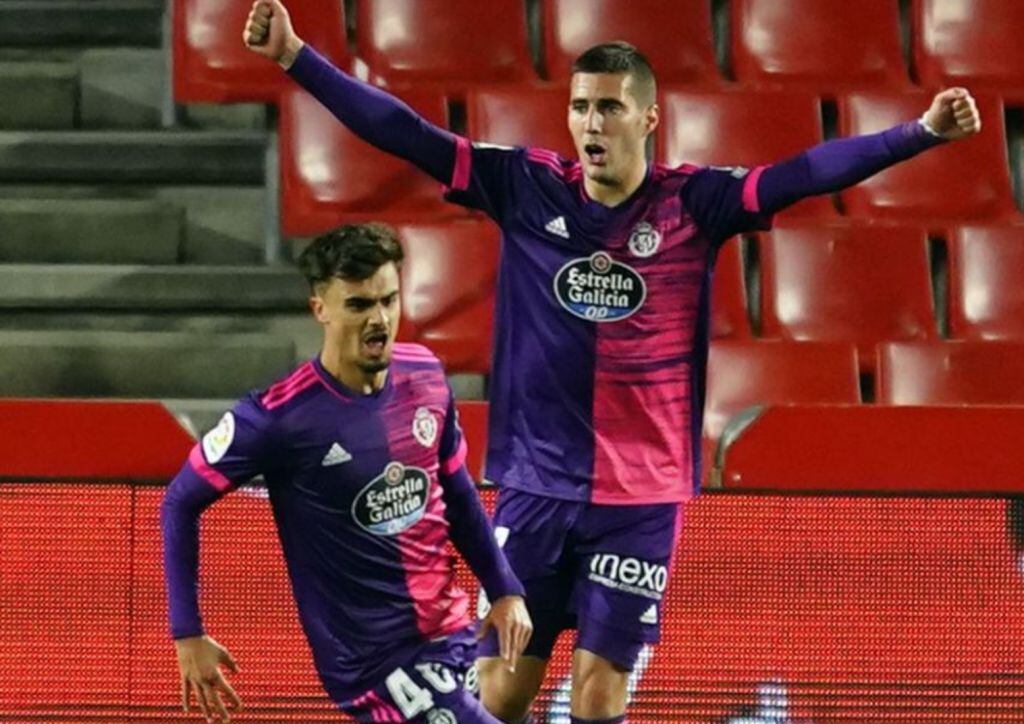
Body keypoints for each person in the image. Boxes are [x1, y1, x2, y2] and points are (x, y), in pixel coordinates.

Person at [242, 4, 982, 721]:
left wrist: (916, 134)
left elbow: (805, 172)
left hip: (641, 499)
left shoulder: (696, 203)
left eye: (609, 108)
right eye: (581, 107)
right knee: (498, 694)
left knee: (598, 698)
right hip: (536, 486)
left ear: (648, 119)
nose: (591, 124)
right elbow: (407, 134)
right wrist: (295, 58)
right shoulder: (525, 186)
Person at [161, 223, 532, 723]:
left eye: (389, 300)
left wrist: (504, 588)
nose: (379, 319)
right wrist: (187, 632)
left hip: (453, 634)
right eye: (359, 305)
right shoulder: (277, 417)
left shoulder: (424, 374)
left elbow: (457, 491)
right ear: (321, 310)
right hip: (375, 665)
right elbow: (181, 500)